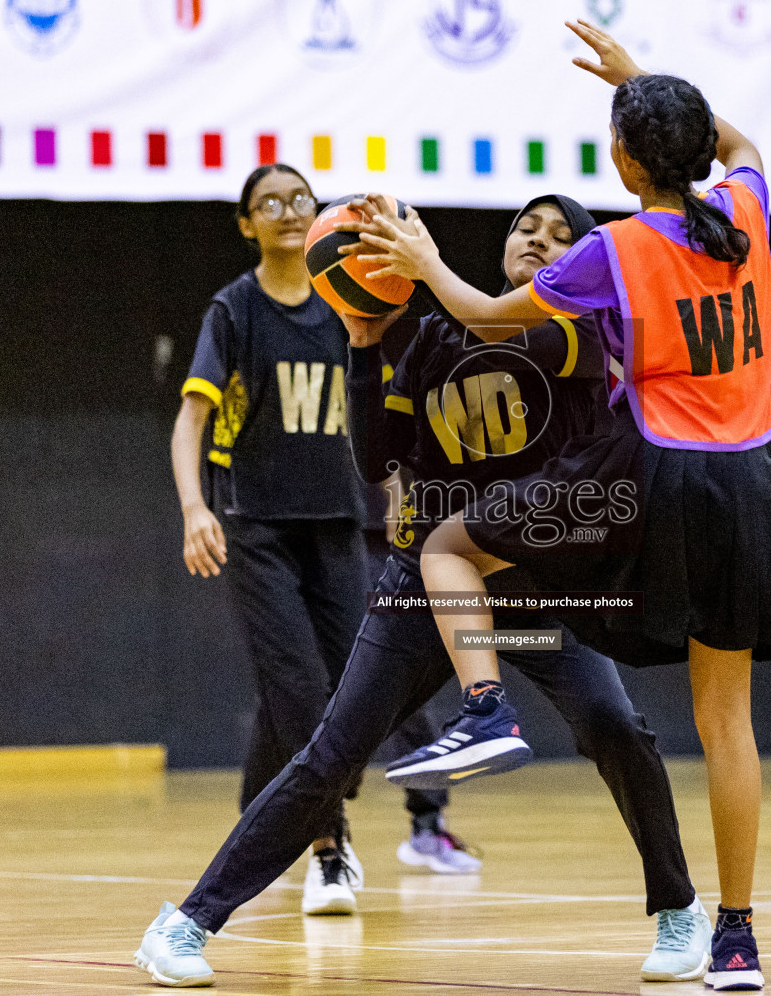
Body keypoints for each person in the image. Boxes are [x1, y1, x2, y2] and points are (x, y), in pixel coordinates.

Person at [133, 191, 712, 988]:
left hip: (533, 599)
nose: (538, 242)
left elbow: (505, 326)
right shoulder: (433, 339)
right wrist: (365, 344)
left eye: (559, 236)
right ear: (504, 247)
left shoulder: (574, 332)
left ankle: (681, 910)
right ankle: (187, 923)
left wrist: (430, 268)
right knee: (330, 754)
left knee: (615, 724)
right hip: (428, 597)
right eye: (525, 230)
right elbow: (377, 459)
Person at [361, 20, 771, 992]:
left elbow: (476, 313)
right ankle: (736, 939)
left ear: (623, 159)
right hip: (753, 486)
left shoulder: (618, 249)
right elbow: (744, 145)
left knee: (448, 547)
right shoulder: (747, 209)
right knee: (730, 725)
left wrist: (424, 255)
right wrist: (648, 83)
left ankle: (484, 709)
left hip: (656, 480)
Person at [169, 165, 468, 917]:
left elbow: (386, 419)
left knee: (340, 689)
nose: (288, 211)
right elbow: (191, 423)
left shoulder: (345, 304)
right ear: (246, 223)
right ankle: (329, 849)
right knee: (298, 687)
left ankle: (259, 812)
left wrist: (402, 496)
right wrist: (193, 509)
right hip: (257, 524)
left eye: (300, 198)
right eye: (268, 203)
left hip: (338, 522)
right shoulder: (234, 310)